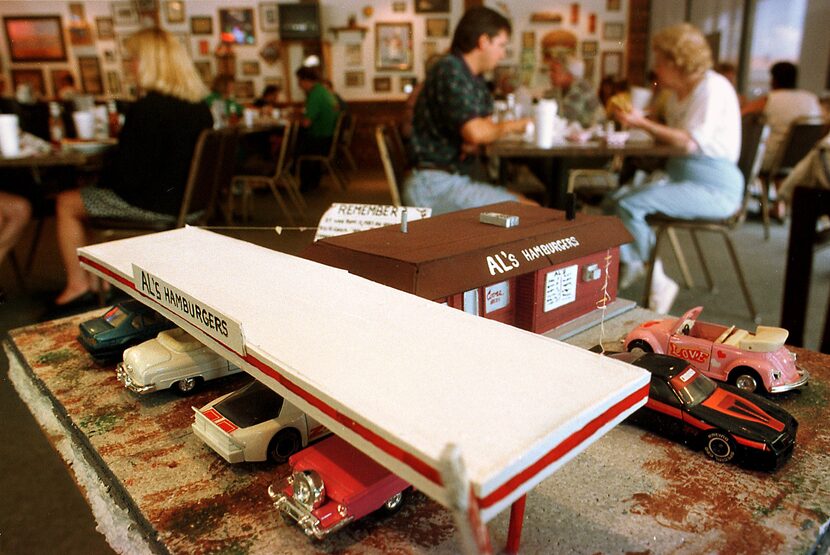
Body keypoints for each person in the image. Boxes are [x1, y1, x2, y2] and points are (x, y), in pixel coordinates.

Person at [53, 28, 213, 309]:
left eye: (133, 59)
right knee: (87, 199)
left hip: (154, 204)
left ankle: (80, 284)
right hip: (192, 204)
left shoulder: (146, 109)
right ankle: (99, 280)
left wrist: (101, 175)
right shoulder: (200, 108)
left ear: (150, 62)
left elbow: (130, 178)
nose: (130, 66)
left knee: (68, 202)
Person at [607, 23, 743, 314]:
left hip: (714, 186)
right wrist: (648, 116)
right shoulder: (681, 92)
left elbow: (688, 144)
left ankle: (655, 279)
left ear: (676, 61)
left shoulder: (712, 87)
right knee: (616, 200)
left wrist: (640, 122)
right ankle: (635, 263)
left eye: (660, 61)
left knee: (629, 204)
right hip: (682, 175)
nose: (656, 69)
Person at [404, 6, 535, 214]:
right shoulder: (450, 69)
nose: (502, 54)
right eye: (501, 45)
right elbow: (476, 132)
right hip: (433, 184)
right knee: (530, 211)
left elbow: (482, 127)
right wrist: (519, 124)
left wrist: (478, 135)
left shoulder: (470, 75)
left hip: (448, 177)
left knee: (524, 204)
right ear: (483, 41)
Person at [742, 61, 822, 172]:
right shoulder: (811, 99)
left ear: (773, 79)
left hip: (772, 160)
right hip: (804, 161)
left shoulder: (771, 99)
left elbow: (740, 114)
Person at [294, 65, 339, 192]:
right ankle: (313, 183)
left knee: (295, 149)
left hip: (321, 139)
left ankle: (305, 185)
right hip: (328, 137)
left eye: (299, 81)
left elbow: (307, 123)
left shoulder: (315, 94)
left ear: (306, 80)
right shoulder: (323, 91)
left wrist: (294, 118)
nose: (299, 85)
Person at [546, 53, 605, 128]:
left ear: (568, 74)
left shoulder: (580, 87)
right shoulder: (561, 89)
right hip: (581, 133)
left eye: (554, 71)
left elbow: (565, 117)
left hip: (596, 134)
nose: (550, 74)